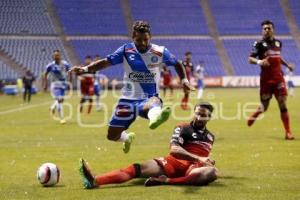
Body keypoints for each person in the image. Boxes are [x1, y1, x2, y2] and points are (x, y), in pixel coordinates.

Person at [70, 21, 195, 153]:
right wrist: (85, 69)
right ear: (133, 37)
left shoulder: (160, 51)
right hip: (127, 100)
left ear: (150, 37)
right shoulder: (125, 50)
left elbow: (177, 63)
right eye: (138, 40)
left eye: (145, 39)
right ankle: (127, 138)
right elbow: (106, 62)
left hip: (148, 97)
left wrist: (184, 80)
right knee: (112, 135)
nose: (142, 43)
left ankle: (155, 118)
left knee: (153, 103)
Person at [79, 102, 217, 189]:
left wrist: (205, 159)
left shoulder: (211, 137)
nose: (199, 118)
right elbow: (175, 150)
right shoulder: (183, 127)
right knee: (136, 168)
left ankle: (167, 181)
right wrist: (199, 158)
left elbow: (203, 156)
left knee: (212, 172)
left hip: (193, 167)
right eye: (197, 114)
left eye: (203, 115)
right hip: (174, 162)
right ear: (194, 113)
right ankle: (95, 180)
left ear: (209, 117)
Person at [248, 20, 294, 140]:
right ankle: (256, 114)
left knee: (282, 103)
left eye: (269, 28)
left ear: (273, 29)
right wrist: (259, 61)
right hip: (266, 80)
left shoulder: (278, 43)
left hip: (279, 78)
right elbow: (250, 59)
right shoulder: (258, 44)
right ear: (262, 31)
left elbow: (277, 57)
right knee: (265, 106)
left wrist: (286, 65)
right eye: (265, 28)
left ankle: (288, 132)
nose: (267, 30)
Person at [44, 50, 71, 124]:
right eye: (55, 55)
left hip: (63, 84)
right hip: (55, 85)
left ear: (60, 56)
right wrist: (45, 84)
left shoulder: (65, 64)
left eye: (58, 55)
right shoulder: (50, 65)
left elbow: (70, 72)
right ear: (53, 56)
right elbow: (45, 74)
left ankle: (52, 107)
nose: (56, 57)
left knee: (61, 100)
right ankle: (62, 118)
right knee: (60, 100)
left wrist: (69, 82)